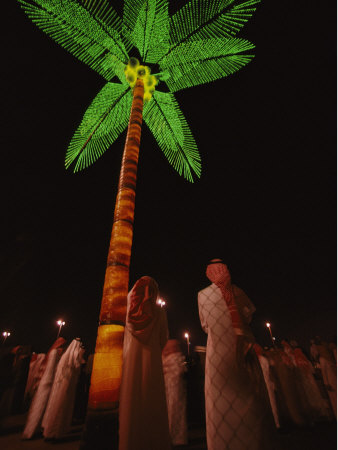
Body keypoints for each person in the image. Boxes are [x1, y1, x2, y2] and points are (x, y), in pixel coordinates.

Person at [198, 259, 277, 450]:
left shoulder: (203, 294)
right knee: (251, 396)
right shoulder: (238, 291)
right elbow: (248, 315)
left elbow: (205, 326)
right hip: (244, 348)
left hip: (218, 354)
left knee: (222, 400)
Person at [118, 276, 171, 450]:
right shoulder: (160, 313)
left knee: (131, 399)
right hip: (152, 360)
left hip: (130, 360)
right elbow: (164, 339)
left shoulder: (126, 312)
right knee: (151, 398)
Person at [22, 337, 66, 439]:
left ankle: (34, 429)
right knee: (40, 405)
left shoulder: (52, 352)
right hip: (48, 382)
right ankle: (31, 431)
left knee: (40, 406)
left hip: (46, 382)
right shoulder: (54, 353)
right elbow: (50, 369)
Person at [42, 338, 85, 439]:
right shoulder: (71, 356)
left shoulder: (65, 356)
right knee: (61, 406)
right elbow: (77, 364)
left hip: (64, 384)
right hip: (65, 384)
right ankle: (55, 431)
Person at [162, 339, 188, 446]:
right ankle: (174, 436)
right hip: (169, 382)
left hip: (174, 383)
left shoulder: (171, 346)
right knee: (172, 407)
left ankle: (174, 436)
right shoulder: (170, 344)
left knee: (174, 407)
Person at [310, 336, 337, 417]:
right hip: (330, 382)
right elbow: (324, 373)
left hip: (333, 379)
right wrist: (326, 383)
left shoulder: (328, 358)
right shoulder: (323, 359)